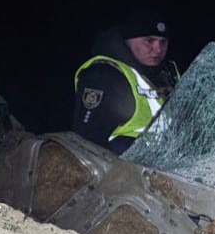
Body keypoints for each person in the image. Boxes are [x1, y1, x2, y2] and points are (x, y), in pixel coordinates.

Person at [72, 9, 179, 153]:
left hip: (170, 158)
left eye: (163, 42)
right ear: (129, 41)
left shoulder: (169, 72)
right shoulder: (105, 74)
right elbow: (86, 142)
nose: (158, 49)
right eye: (149, 41)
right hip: (126, 167)